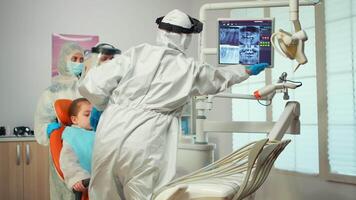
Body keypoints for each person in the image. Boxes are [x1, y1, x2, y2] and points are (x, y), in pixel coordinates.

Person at [79, 9, 268, 200]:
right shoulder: (190, 68)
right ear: (186, 38)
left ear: (160, 31)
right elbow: (218, 78)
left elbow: (92, 84)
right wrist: (245, 70)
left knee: (103, 192)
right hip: (147, 138)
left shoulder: (136, 53)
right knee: (143, 193)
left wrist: (101, 106)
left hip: (111, 131)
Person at [34, 42, 85, 200]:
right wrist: (48, 129)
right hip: (62, 147)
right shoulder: (51, 93)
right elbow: (41, 122)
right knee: (65, 192)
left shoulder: (87, 88)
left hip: (87, 145)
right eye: (74, 59)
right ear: (64, 61)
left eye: (81, 59)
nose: (78, 63)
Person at [59, 98, 95, 192]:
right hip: (89, 183)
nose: (92, 117)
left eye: (94, 114)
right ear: (75, 119)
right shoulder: (72, 135)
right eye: (87, 115)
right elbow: (68, 161)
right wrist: (78, 177)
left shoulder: (99, 131)